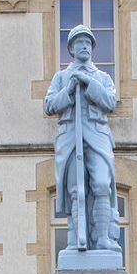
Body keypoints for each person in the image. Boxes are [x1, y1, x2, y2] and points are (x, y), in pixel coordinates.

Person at [44, 24, 121, 253]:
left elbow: (110, 102)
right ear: (71, 48)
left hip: (97, 135)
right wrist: (69, 89)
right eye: (80, 42)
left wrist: (88, 83)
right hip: (70, 136)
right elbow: (49, 105)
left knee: (101, 185)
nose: (85, 46)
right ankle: (75, 239)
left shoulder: (103, 77)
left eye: (88, 42)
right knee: (76, 190)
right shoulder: (61, 77)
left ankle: (103, 238)